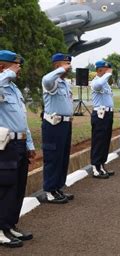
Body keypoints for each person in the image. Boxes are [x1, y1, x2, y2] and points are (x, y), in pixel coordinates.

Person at [0, 50, 34, 247]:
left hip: (19, 143)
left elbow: (22, 119)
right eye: (15, 65)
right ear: (3, 66)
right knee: (5, 187)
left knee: (18, 187)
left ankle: (10, 225)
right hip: (5, 145)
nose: (18, 68)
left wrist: (29, 143)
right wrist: (7, 73)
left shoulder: (14, 89)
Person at [40, 53, 74, 203]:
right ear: (57, 66)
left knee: (62, 157)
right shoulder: (51, 82)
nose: (68, 67)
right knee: (53, 157)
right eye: (65, 65)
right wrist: (60, 70)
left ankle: (57, 187)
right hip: (53, 124)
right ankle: (49, 190)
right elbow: (47, 79)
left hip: (65, 124)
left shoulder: (65, 83)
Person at [90, 60, 115, 178]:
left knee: (105, 141)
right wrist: (107, 74)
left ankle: (102, 165)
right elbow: (99, 85)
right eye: (106, 70)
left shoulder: (106, 84)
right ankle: (96, 167)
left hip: (107, 115)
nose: (108, 72)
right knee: (98, 141)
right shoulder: (95, 82)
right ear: (100, 70)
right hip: (100, 115)